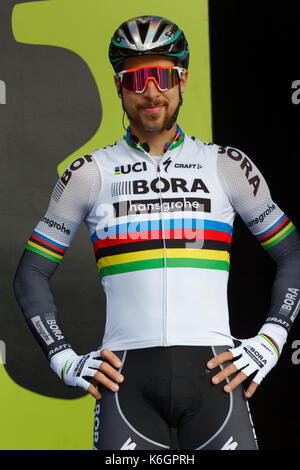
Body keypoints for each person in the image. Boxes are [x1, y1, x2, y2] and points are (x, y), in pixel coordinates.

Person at [14, 15, 300, 451]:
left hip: (216, 379)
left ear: (182, 80)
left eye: (163, 76)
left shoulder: (226, 166)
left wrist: (272, 338)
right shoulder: (89, 173)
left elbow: (292, 251)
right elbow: (30, 272)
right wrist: (64, 360)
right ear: (118, 85)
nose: (151, 92)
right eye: (137, 78)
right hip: (125, 381)